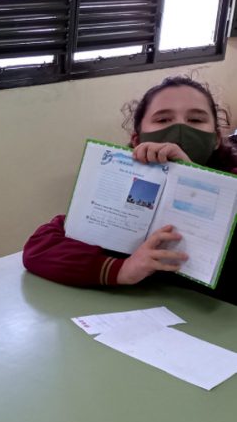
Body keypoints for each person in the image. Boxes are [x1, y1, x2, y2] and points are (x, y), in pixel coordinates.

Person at [23, 76, 237, 302]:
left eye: (195, 119)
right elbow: (40, 249)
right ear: (137, 140)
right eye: (163, 119)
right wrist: (121, 270)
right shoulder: (123, 183)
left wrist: (191, 180)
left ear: (216, 139)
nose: (180, 129)